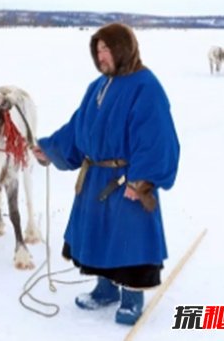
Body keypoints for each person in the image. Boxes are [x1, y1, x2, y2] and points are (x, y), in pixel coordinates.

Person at [32, 23, 180, 326]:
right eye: (97, 50)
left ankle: (131, 298)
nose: (102, 56)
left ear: (124, 49)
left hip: (126, 179)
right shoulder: (98, 86)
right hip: (96, 177)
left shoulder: (146, 86)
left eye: (107, 49)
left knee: (129, 239)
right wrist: (50, 149)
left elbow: (157, 137)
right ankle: (105, 289)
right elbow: (78, 128)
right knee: (97, 235)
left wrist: (141, 181)